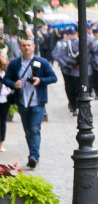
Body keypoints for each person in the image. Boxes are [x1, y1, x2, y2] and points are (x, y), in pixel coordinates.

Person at [2, 36, 58, 169]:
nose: (26, 48)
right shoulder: (15, 63)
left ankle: (34, 156)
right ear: (20, 48)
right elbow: (6, 79)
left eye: (28, 45)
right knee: (28, 130)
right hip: (22, 102)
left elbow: (53, 77)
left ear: (33, 47)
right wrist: (14, 84)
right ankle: (33, 153)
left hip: (37, 102)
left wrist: (40, 80)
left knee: (34, 128)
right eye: (23, 45)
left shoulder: (41, 62)